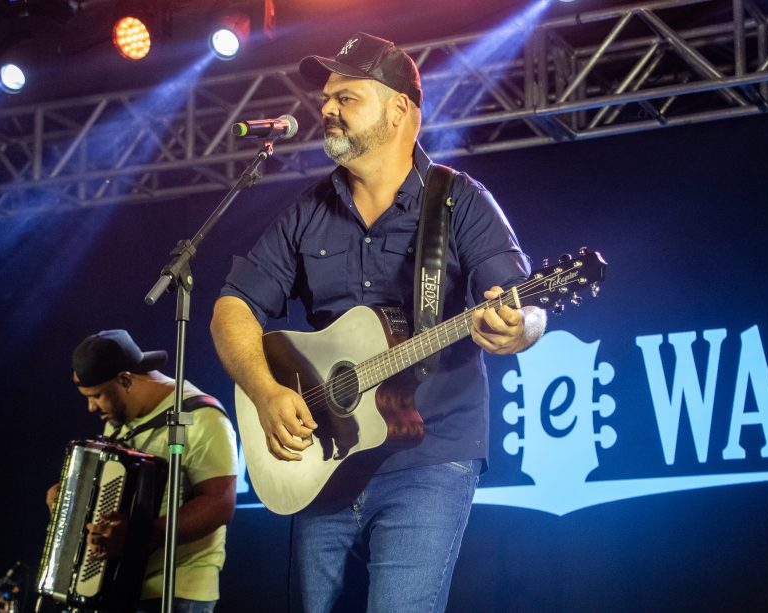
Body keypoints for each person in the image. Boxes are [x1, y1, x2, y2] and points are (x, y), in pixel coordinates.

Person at [210, 32, 546, 612]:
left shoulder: (459, 201)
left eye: (347, 96)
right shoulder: (307, 211)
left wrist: (521, 326)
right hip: (324, 459)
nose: (328, 108)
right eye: (326, 99)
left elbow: (522, 303)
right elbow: (231, 307)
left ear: (399, 110)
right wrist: (265, 392)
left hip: (430, 455)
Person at [48, 329, 238, 613]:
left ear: (125, 379)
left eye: (97, 395)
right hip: (122, 585)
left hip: (177, 591)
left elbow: (220, 504)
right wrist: (68, 498)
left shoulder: (201, 417)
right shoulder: (118, 420)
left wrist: (136, 536)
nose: (91, 407)